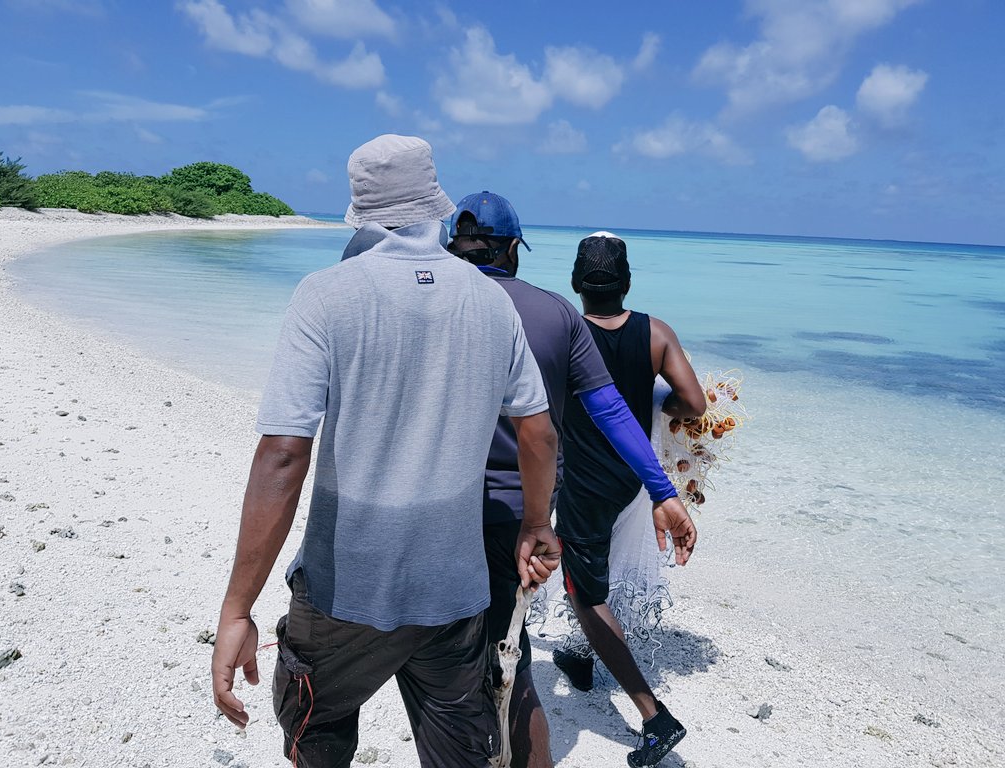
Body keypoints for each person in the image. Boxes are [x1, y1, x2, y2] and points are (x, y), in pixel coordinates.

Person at [209, 135, 562, 768]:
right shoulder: (491, 301)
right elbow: (538, 433)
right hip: (454, 591)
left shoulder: (325, 294)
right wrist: (536, 524)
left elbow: (285, 455)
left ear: (360, 210)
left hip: (345, 589)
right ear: (437, 204)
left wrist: (238, 608)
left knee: (317, 733)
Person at [447, 193, 691, 768]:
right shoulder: (557, 317)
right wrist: (663, 489)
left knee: (449, 650)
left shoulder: (428, 298)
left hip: (437, 504)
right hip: (530, 506)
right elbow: (613, 410)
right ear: (512, 250)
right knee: (514, 645)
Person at [554, 232, 706, 768]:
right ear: (628, 283)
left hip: (583, 484)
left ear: (576, 283)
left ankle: (653, 716)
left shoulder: (563, 331)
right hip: (634, 480)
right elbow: (694, 401)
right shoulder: (655, 332)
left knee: (584, 589)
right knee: (602, 570)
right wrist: (658, 407)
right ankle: (577, 656)